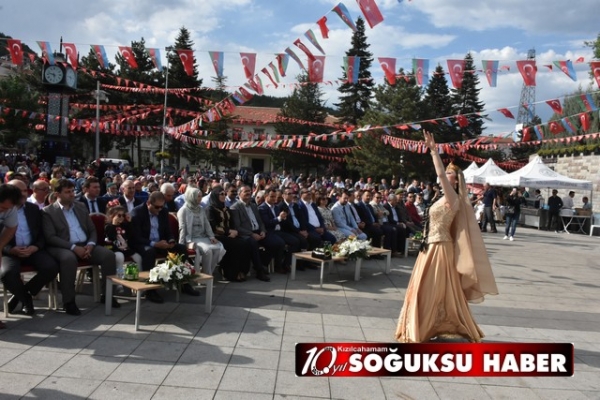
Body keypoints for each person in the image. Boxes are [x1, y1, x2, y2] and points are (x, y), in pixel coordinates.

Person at [395, 131, 498, 343]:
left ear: (456, 179)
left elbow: (440, 176)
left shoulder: (452, 196)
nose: (446, 174)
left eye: (450, 173)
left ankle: (424, 326)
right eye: (447, 171)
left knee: (431, 289)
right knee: (426, 289)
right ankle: (422, 324)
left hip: (440, 247)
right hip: (431, 246)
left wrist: (434, 152)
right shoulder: (442, 197)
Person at [42, 179, 118, 315]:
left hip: (86, 244)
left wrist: (90, 244)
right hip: (63, 247)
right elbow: (51, 237)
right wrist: (73, 248)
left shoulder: (80, 206)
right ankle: (69, 302)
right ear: (57, 194)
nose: (71, 195)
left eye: (72, 191)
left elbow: (92, 230)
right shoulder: (48, 212)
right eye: (67, 192)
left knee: (108, 255)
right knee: (68, 259)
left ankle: (107, 295)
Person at [129, 191, 200, 303]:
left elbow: (168, 231)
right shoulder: (137, 213)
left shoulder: (163, 211)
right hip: (144, 244)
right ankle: (150, 290)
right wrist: (154, 244)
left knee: (181, 249)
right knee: (150, 252)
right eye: (157, 207)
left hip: (161, 243)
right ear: (148, 203)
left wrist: (171, 240)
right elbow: (136, 237)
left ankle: (184, 283)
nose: (159, 210)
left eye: (162, 207)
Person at [2, 180, 59, 316]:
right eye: (17, 191)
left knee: (51, 267)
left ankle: (21, 295)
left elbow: (41, 234)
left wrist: (35, 247)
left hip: (32, 250)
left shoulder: (33, 209)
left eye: (24, 191)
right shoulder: (4, 209)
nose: (21, 194)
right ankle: (26, 299)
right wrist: (10, 249)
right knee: (6, 273)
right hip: (9, 252)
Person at [177, 187, 226, 276]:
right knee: (208, 251)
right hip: (192, 238)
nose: (200, 198)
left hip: (203, 236)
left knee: (218, 248)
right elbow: (182, 228)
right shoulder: (183, 210)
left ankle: (206, 273)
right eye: (198, 196)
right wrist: (181, 245)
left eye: (200, 196)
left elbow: (207, 225)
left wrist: (211, 236)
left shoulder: (200, 209)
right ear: (192, 197)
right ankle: (207, 274)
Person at [207, 186, 251, 281]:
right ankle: (230, 274)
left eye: (224, 194)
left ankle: (241, 271)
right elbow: (213, 226)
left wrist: (233, 231)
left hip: (229, 235)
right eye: (221, 194)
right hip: (216, 236)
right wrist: (228, 232)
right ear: (215, 196)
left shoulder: (226, 208)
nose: (223, 196)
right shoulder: (210, 209)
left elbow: (232, 223)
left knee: (245, 243)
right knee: (236, 245)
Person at [229, 185, 273, 280]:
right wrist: (252, 234)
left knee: (275, 242)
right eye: (245, 191)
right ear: (239, 194)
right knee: (253, 243)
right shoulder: (235, 208)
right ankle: (259, 271)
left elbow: (260, 221)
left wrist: (263, 231)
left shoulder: (253, 206)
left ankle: (262, 264)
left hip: (258, 231)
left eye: (249, 191)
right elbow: (237, 227)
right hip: (245, 234)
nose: (248, 193)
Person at [104, 201, 142, 277]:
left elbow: (132, 235)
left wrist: (130, 222)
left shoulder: (124, 225)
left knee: (138, 258)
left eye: (123, 215)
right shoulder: (108, 227)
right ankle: (119, 281)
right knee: (120, 257)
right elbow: (110, 237)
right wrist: (114, 224)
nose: (121, 218)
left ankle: (139, 278)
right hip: (114, 249)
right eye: (119, 215)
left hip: (125, 249)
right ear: (112, 216)